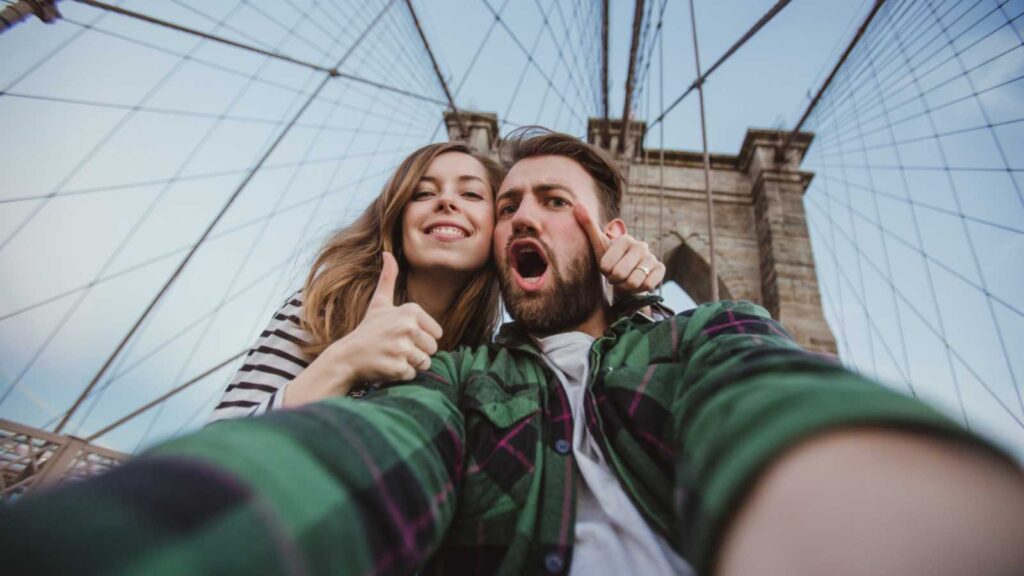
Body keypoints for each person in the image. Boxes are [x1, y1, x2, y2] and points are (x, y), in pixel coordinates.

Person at [2, 130, 1022, 576]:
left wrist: (654, 296)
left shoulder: (696, 339)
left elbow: (753, 392)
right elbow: (362, 457)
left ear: (604, 234)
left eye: (548, 202)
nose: (494, 212)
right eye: (505, 201)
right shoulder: (456, 382)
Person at [210, 140, 664, 422]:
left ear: (495, 233)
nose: (446, 202)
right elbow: (215, 456)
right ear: (398, 218)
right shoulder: (326, 309)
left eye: (471, 194)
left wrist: (635, 298)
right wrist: (343, 362)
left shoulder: (489, 366)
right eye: (423, 193)